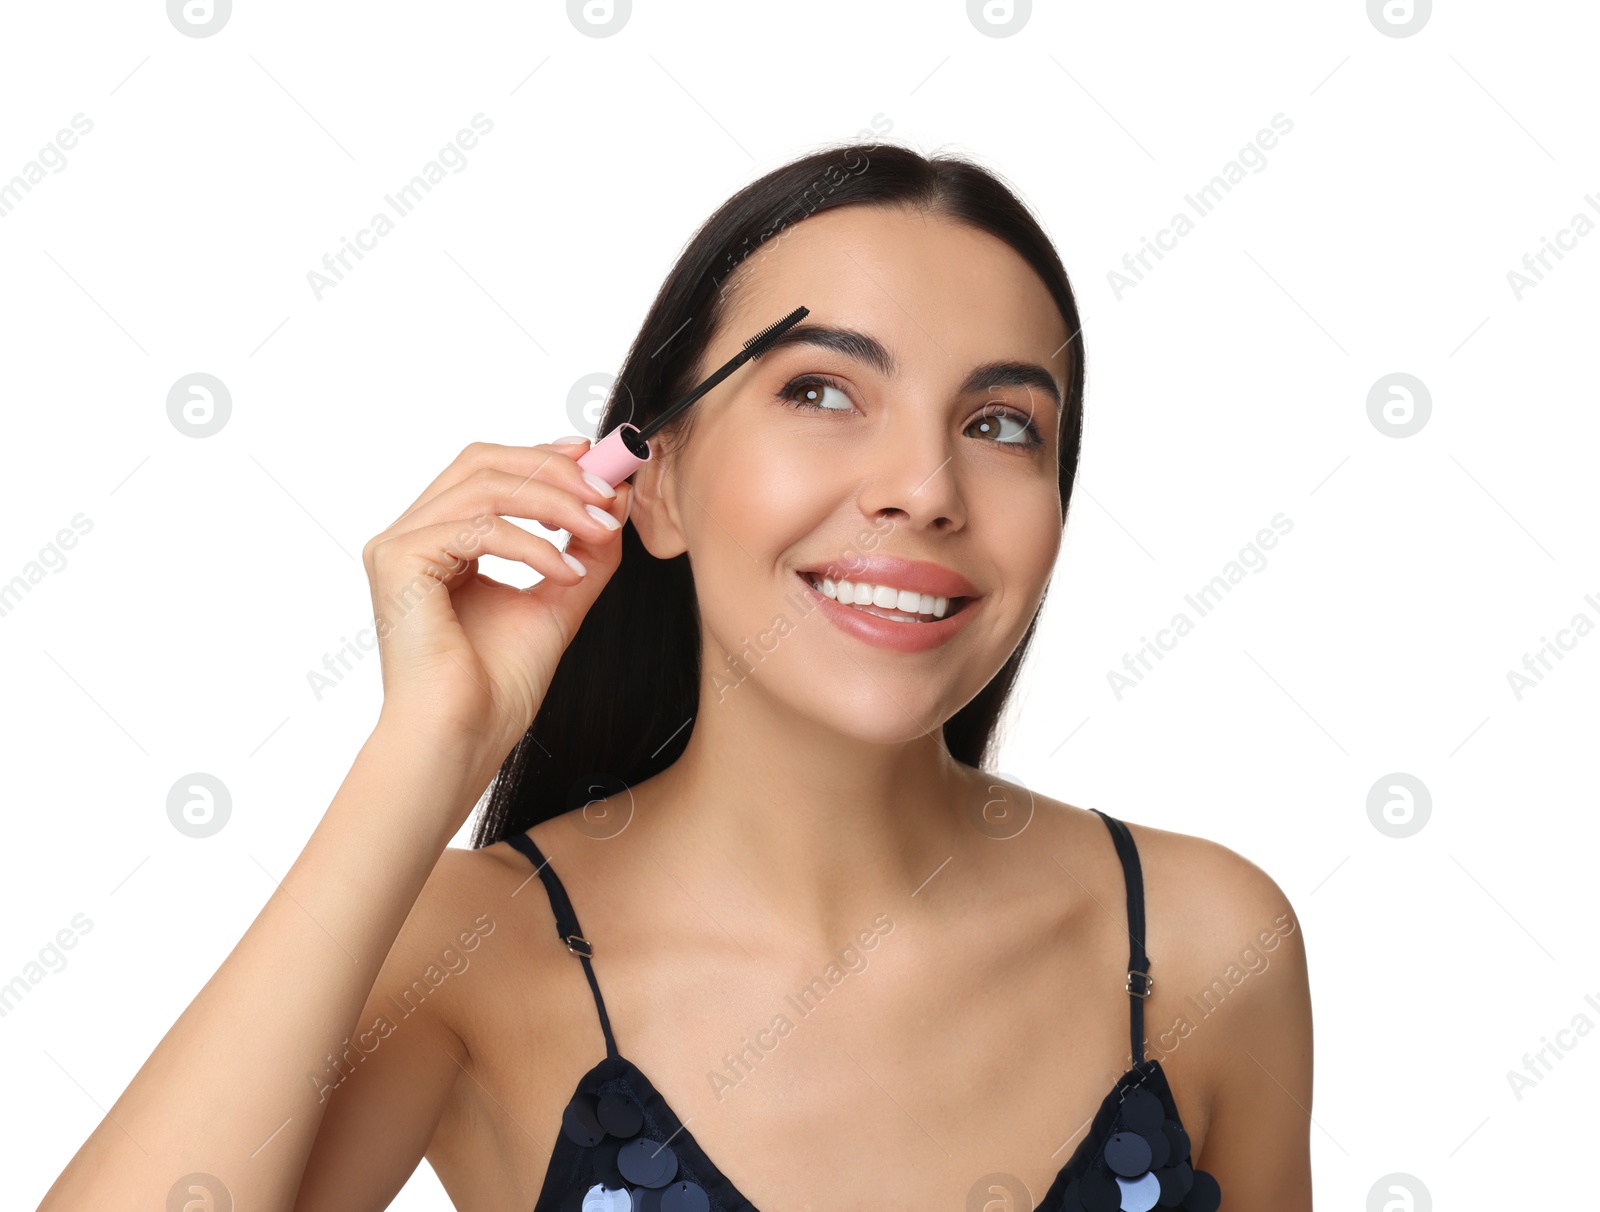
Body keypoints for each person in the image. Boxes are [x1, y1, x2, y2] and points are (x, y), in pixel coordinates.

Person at [39, 143, 1312, 1211]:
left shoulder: (1203, 945)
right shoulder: (475, 949)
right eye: (821, 390)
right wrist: (426, 747)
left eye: (999, 425)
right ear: (651, 482)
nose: (923, 490)